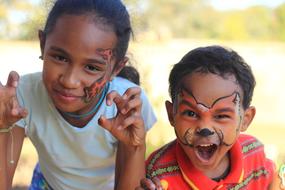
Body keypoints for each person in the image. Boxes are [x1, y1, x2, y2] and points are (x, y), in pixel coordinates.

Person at [0, 0, 157, 189]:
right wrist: (2, 126)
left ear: (116, 68)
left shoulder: (128, 105)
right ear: (43, 44)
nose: (69, 81)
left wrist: (135, 146)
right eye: (60, 57)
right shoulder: (23, 95)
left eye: (91, 67)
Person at [136, 45, 278, 190]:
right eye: (191, 114)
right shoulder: (157, 175)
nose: (205, 128)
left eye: (221, 116)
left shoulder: (254, 153)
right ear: (172, 114)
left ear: (246, 119)